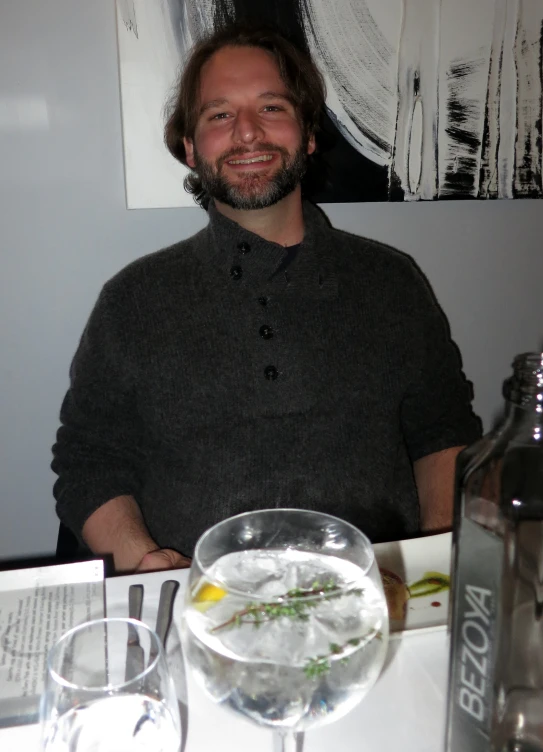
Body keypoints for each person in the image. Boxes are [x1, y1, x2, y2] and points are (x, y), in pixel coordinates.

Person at [51, 24, 481, 573]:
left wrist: (433, 569)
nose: (248, 133)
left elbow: (443, 432)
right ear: (189, 148)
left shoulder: (392, 282)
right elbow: (89, 461)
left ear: (307, 136)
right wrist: (147, 563)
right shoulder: (132, 301)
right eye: (219, 115)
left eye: (272, 108)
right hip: (202, 606)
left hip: (374, 600)